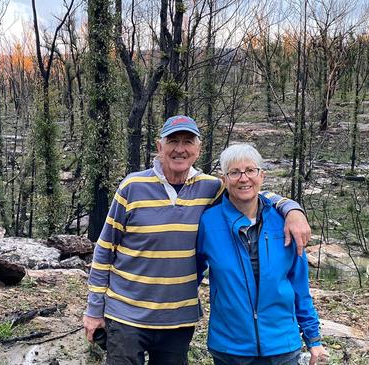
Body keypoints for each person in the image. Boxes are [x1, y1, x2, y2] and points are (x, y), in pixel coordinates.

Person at [83, 116, 311, 365]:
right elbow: (104, 251)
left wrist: (291, 209)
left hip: (178, 320)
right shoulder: (132, 186)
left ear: (197, 150)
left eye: (187, 141)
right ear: (160, 147)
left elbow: (248, 189)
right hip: (126, 314)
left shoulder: (210, 188)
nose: (180, 148)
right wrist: (94, 310)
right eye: (173, 141)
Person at [196, 144, 327, 365]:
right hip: (230, 346)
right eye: (235, 172)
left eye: (250, 170)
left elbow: (299, 286)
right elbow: (192, 274)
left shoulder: (285, 222)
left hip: (281, 345)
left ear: (261, 175)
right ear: (224, 179)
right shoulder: (208, 222)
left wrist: (313, 338)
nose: (243, 178)